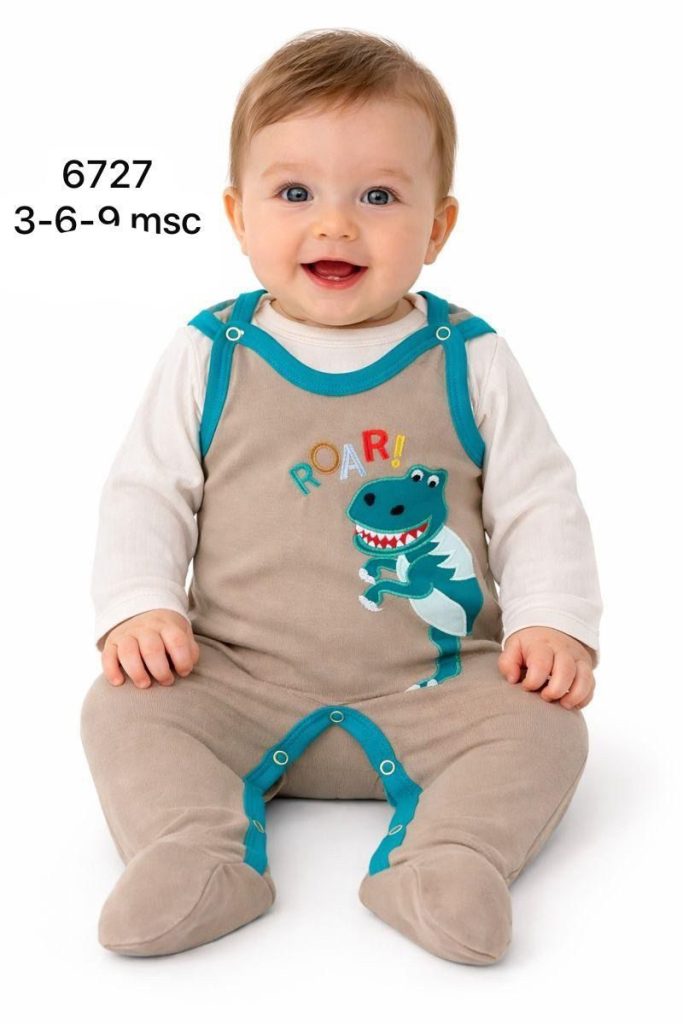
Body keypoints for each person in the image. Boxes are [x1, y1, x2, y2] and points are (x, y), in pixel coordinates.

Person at [80, 28, 602, 964]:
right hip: (232, 679)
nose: (334, 225)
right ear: (238, 216)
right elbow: (145, 493)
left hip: (435, 686)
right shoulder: (211, 352)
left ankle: (449, 857)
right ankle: (192, 850)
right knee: (121, 708)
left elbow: (536, 501)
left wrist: (552, 623)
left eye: (377, 196)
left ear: (437, 227)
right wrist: (140, 607)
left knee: (546, 729)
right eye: (294, 194)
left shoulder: (467, 356)